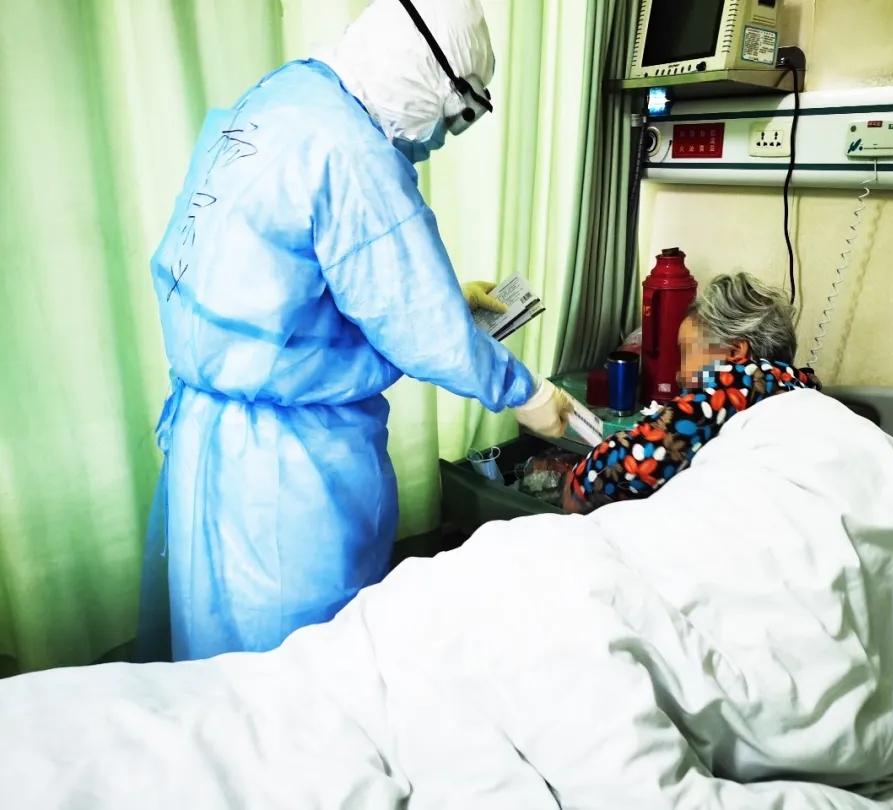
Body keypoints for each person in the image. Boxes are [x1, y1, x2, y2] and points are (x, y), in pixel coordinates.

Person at [137, 0, 573, 662]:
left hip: (211, 440)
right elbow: (420, 324)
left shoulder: (287, 98)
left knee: (220, 656)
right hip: (288, 468)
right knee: (304, 663)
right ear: (426, 76)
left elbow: (286, 277)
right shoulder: (352, 150)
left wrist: (445, 300)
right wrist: (525, 391)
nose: (442, 136)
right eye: (456, 114)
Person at [564, 272, 820, 514]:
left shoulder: (746, 378)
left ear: (734, 352)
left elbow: (641, 456)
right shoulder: (799, 385)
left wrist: (578, 484)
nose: (679, 375)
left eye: (686, 353)